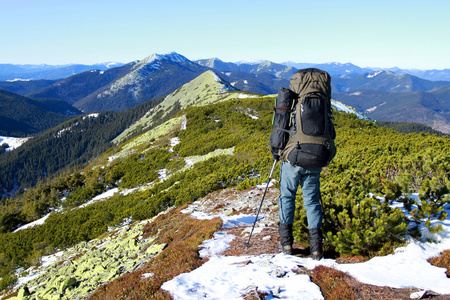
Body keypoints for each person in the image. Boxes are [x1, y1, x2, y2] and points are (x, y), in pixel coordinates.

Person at [271, 68, 335, 261]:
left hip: (295, 156)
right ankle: (316, 249)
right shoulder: (323, 102)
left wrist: (276, 151)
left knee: (287, 197)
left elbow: (280, 129)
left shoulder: (294, 102)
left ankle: (287, 244)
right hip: (318, 155)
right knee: (312, 201)